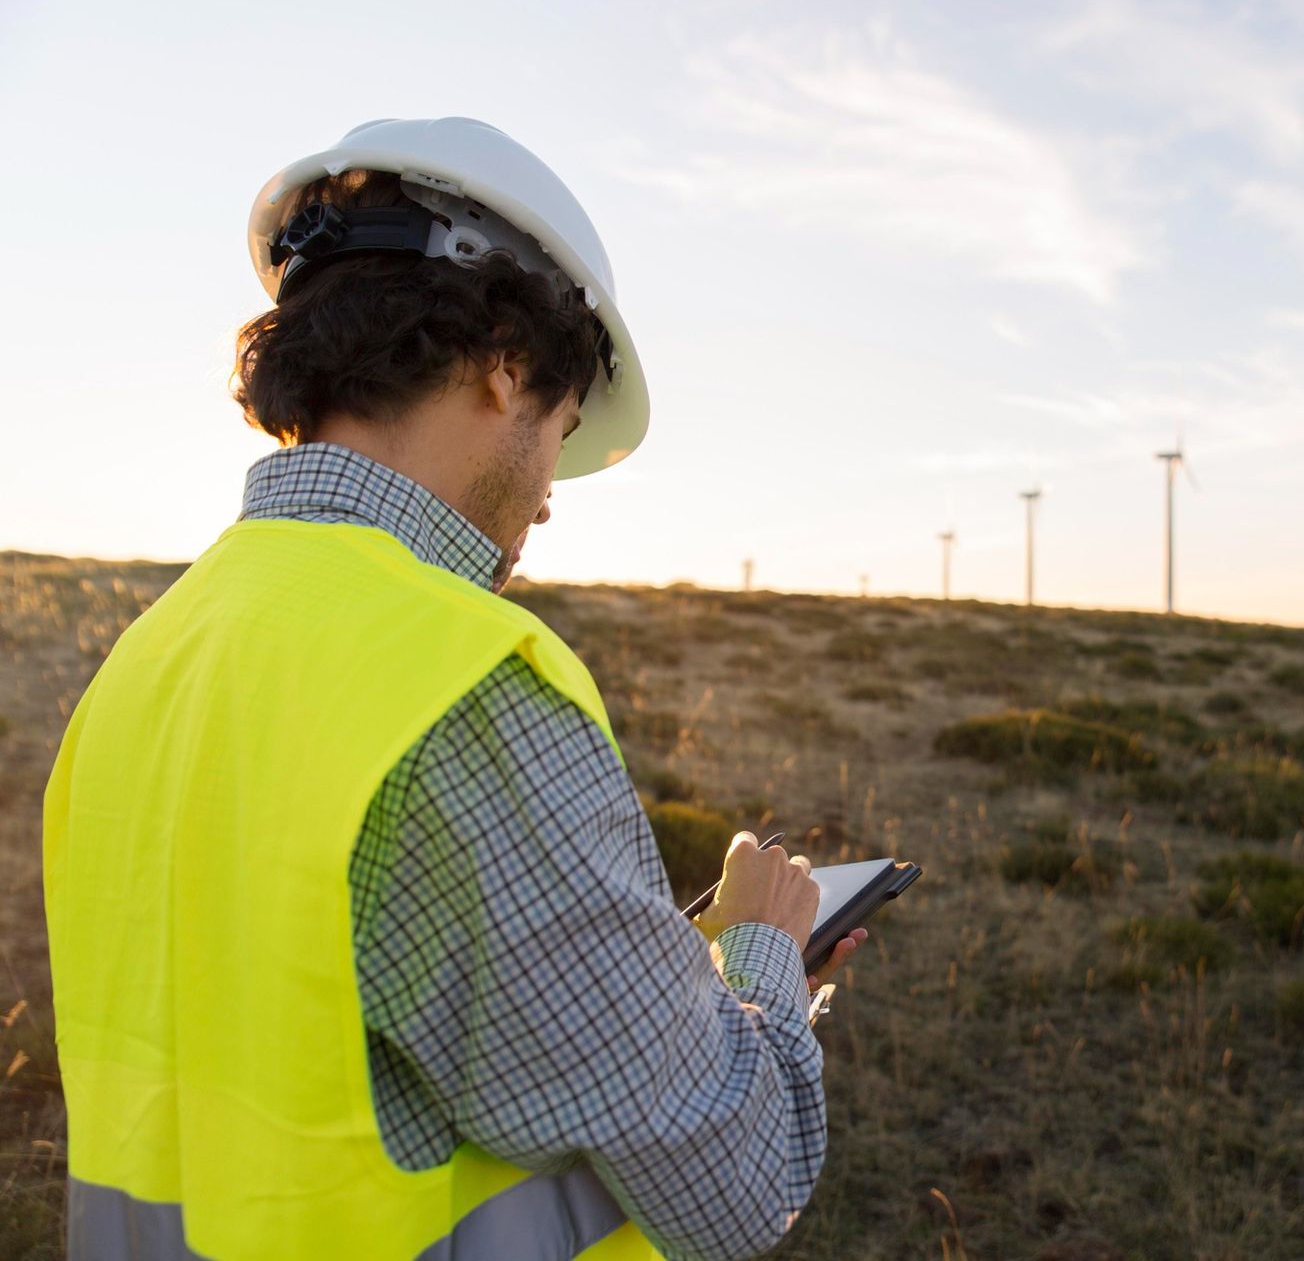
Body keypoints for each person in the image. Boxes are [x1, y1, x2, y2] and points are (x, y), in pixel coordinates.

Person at [42, 117, 862, 1261]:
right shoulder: (459, 687)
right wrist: (764, 955)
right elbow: (734, 1182)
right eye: (561, 433)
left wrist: (658, 966)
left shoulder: (145, 662)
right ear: (509, 360)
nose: (547, 498)